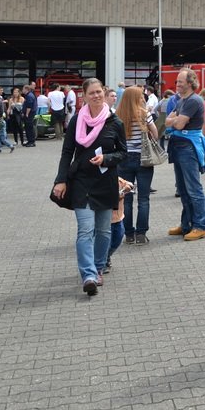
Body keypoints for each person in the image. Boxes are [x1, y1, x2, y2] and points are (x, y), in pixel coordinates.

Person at [52, 78, 127, 297]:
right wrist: (61, 179)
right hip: (82, 182)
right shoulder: (77, 120)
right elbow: (67, 152)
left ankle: (99, 266)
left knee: (104, 231)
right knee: (86, 229)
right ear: (84, 96)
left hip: (105, 182)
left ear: (104, 93)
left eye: (99, 92)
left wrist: (106, 158)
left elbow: (123, 153)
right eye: (91, 93)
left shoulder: (115, 122)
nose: (96, 96)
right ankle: (88, 275)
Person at [167, 69, 205, 242]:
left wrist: (174, 121)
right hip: (179, 146)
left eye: (180, 82)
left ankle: (200, 226)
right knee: (183, 189)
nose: (177, 84)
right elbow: (169, 119)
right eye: (177, 82)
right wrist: (174, 120)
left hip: (188, 147)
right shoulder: (182, 100)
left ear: (191, 82)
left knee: (193, 188)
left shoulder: (193, 101)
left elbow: (176, 124)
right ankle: (187, 224)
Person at [115, 86, 157, 246]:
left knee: (126, 198)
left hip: (124, 159)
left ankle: (129, 235)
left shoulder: (118, 115)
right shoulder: (144, 114)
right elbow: (155, 134)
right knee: (144, 198)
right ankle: (141, 234)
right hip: (143, 159)